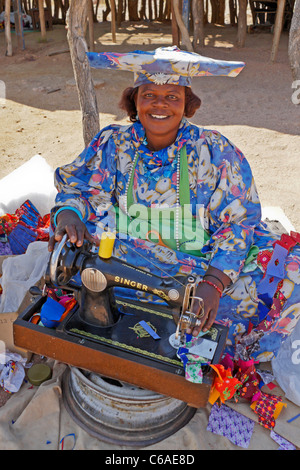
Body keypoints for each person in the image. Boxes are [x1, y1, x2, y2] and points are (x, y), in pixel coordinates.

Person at [49, 46, 300, 363]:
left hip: (199, 263)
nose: (159, 104)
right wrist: (69, 215)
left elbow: (238, 222)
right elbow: (78, 186)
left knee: (284, 276)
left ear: (187, 104)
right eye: (149, 94)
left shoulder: (214, 151)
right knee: (80, 275)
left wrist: (213, 282)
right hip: (131, 258)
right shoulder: (112, 143)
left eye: (172, 96)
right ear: (134, 100)